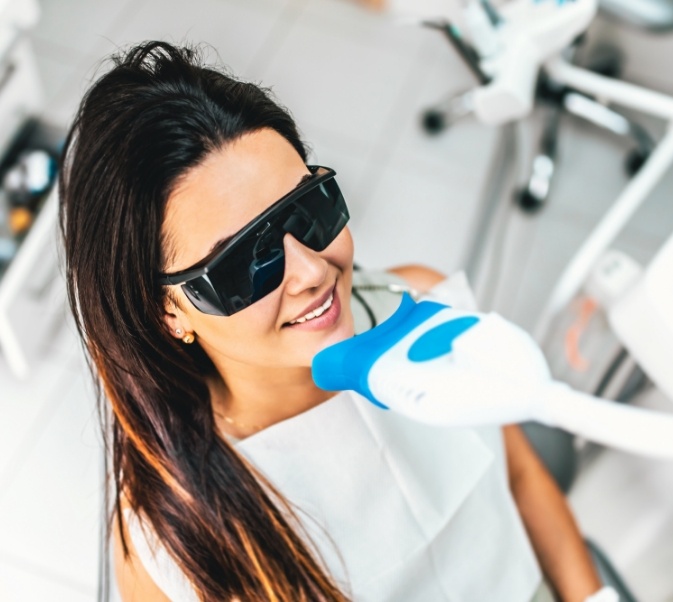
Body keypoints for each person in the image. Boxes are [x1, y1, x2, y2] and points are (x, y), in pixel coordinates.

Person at [59, 41, 604, 601]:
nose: (312, 272)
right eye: (246, 262)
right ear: (168, 311)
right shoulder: (168, 542)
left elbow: (519, 477)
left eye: (306, 210)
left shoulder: (416, 297)